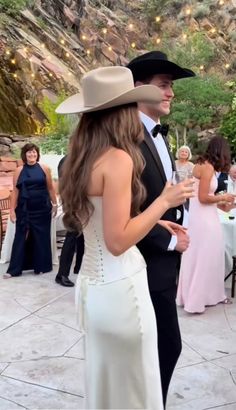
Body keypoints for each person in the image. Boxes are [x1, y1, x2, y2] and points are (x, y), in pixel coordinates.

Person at [56, 66, 194, 409]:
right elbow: (117, 241)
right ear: (120, 112)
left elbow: (102, 222)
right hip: (122, 293)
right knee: (135, 391)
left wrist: (154, 222)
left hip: (92, 289)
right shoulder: (118, 158)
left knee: (108, 389)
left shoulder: (80, 159)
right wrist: (164, 201)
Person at [127, 50, 196, 405]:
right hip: (145, 263)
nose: (170, 93)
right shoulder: (126, 137)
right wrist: (167, 243)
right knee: (165, 347)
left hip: (164, 260)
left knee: (160, 349)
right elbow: (124, 211)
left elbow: (161, 195)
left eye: (171, 87)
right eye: (163, 85)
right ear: (139, 88)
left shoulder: (159, 134)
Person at [177, 136, 235, 313]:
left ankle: (206, 295)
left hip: (201, 216)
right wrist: (223, 197)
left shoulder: (202, 165)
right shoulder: (208, 168)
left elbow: (204, 198)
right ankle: (197, 299)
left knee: (202, 256)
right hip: (204, 219)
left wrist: (225, 203)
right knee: (205, 257)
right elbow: (203, 197)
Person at [3, 143, 57, 278]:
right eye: (29, 152)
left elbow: (50, 188)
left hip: (42, 208)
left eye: (34, 152)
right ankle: (14, 270)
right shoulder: (19, 170)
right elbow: (15, 191)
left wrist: (55, 204)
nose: (32, 154)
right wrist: (12, 210)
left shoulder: (44, 168)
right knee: (21, 236)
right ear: (24, 154)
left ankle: (41, 267)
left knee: (41, 237)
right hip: (25, 209)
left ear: (37, 154)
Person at [55, 155, 84, 287]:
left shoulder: (83, 157)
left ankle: (79, 267)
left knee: (82, 236)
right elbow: (65, 184)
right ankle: (61, 275)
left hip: (83, 202)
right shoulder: (67, 160)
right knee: (72, 235)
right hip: (73, 202)